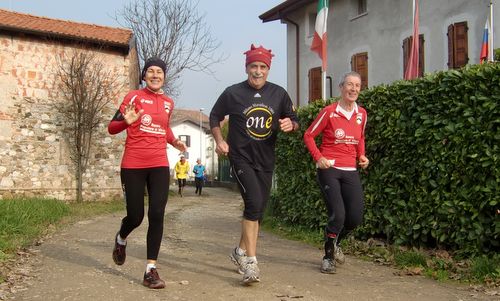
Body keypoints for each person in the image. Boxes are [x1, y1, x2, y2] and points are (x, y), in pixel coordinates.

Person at [209, 44, 299, 285]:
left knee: (257, 212)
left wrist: (292, 125)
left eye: (262, 66)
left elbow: (293, 118)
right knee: (253, 203)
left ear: (268, 69)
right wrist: (220, 140)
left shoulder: (279, 93)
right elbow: (214, 116)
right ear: (246, 67)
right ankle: (251, 262)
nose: (257, 71)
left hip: (266, 160)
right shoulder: (233, 93)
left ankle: (238, 252)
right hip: (240, 158)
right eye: (253, 66)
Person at [108, 57, 187, 289]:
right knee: (136, 216)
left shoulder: (168, 102)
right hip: (133, 164)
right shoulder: (133, 97)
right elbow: (111, 128)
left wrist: (175, 142)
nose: (155, 75)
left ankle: (150, 269)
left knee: (157, 214)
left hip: (159, 164)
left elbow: (164, 128)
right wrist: (125, 121)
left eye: (159, 72)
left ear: (164, 76)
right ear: (144, 75)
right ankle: (121, 238)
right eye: (150, 71)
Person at [303, 71, 369, 274]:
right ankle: (328, 256)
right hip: (329, 169)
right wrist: (319, 158)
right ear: (341, 87)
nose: (354, 89)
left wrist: (362, 156)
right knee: (338, 214)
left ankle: (336, 243)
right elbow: (309, 135)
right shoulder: (329, 112)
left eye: (357, 85)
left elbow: (360, 139)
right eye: (350, 84)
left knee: (355, 217)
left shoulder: (362, 114)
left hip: (350, 170)